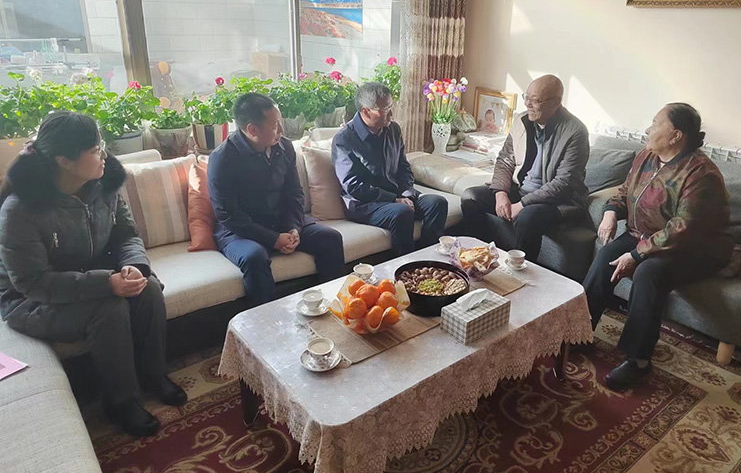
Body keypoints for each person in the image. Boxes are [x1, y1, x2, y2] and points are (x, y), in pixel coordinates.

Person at [0, 112, 186, 438]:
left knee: (149, 288)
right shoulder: (20, 210)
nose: (104, 154)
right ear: (64, 160)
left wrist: (135, 267)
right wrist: (106, 283)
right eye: (95, 149)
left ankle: (154, 376)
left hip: (90, 276)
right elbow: (32, 282)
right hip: (31, 300)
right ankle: (122, 402)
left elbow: (127, 235)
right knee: (108, 308)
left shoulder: (104, 185)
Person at [584, 103, 733, 390]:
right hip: (645, 235)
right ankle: (580, 331)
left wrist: (636, 254)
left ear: (676, 135)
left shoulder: (701, 174)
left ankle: (638, 360)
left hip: (693, 249)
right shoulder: (646, 157)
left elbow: (683, 229)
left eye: (655, 124)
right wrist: (611, 212)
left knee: (648, 272)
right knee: (606, 257)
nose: (648, 130)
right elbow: (625, 192)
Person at [208, 93, 344, 305]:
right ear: (252, 130)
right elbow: (229, 215)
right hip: (241, 232)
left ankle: (333, 306)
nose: (281, 130)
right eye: (275, 126)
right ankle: (268, 323)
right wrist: (274, 239)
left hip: (282, 222)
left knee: (330, 238)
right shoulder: (222, 159)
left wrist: (293, 228)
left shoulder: (285, 147)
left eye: (280, 123)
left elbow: (294, 193)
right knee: (254, 258)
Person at [460, 75, 589, 261]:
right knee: (471, 197)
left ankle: (519, 269)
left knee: (527, 217)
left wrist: (522, 204)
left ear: (555, 103)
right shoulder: (522, 121)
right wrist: (500, 193)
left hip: (557, 201)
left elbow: (564, 183)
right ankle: (483, 258)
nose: (527, 104)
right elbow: (505, 159)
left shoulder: (575, 131)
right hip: (521, 190)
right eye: (526, 97)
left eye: (535, 100)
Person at [332, 82, 448, 255]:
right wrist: (393, 199)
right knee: (402, 212)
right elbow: (353, 186)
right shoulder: (344, 139)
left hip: (398, 197)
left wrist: (406, 192)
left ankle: (427, 258)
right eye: (386, 109)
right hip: (366, 204)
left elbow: (403, 167)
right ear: (366, 111)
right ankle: (405, 265)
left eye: (391, 107)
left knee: (437, 203)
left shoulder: (393, 129)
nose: (391, 114)